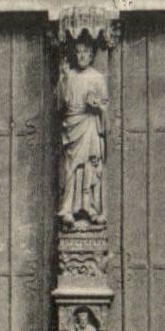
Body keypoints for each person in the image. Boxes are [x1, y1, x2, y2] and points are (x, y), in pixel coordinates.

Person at [57, 36, 108, 228]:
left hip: (90, 124)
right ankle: (67, 208)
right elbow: (60, 103)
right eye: (78, 52)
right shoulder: (69, 75)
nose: (81, 56)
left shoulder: (98, 78)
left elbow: (105, 107)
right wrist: (62, 78)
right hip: (73, 125)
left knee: (91, 165)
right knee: (70, 167)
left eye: (85, 52)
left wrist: (97, 106)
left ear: (92, 55)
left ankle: (88, 206)